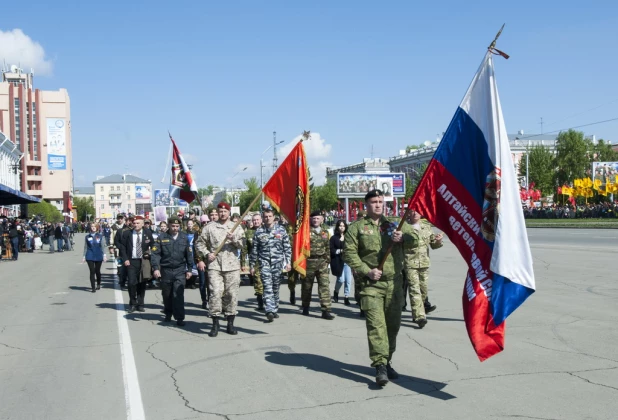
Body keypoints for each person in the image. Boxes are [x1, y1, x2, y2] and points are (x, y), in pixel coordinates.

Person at [343, 189, 407, 386]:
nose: (378, 204)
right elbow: (349, 254)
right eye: (374, 202)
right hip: (371, 286)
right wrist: (366, 270)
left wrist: (403, 238)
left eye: (381, 201)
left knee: (393, 327)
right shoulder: (357, 228)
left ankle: (387, 361)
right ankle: (379, 365)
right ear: (366, 205)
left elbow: (416, 239)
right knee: (376, 326)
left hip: (394, 284)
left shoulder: (395, 225)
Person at [195, 202, 245, 337]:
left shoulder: (236, 227)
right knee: (215, 293)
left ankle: (230, 323)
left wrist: (233, 238)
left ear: (229, 212)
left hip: (232, 266)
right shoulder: (209, 227)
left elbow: (242, 245)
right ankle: (215, 323)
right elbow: (199, 243)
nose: (222, 214)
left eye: (225, 211)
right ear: (217, 213)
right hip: (215, 266)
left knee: (231, 294)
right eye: (220, 212)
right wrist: (207, 253)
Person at [401, 209, 443, 328]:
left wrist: (438, 241)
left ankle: (420, 310)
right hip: (410, 263)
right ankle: (419, 317)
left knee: (423, 290)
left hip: (424, 263)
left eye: (417, 211)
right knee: (414, 289)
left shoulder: (426, 227)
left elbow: (434, 245)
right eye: (412, 212)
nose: (415, 214)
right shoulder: (404, 227)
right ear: (408, 213)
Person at [249, 208, 291, 322]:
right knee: (267, 286)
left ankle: (275, 307)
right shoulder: (259, 232)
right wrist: (252, 265)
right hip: (264, 263)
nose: (267, 218)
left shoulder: (281, 230)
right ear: (263, 218)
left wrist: (288, 262)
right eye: (265, 217)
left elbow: (287, 247)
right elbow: (254, 250)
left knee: (275, 287)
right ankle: (269, 310)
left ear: (274, 217)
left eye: (269, 216)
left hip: (278, 262)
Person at [151, 216, 193, 327]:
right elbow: (155, 254)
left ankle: (179, 317)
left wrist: (189, 269)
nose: (175, 228)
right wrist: (156, 268)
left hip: (180, 270)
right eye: (173, 226)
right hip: (166, 270)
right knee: (167, 294)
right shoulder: (162, 237)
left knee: (178, 294)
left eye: (177, 226)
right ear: (169, 225)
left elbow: (188, 254)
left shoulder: (184, 237)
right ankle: (168, 313)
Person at [301, 211, 334, 320]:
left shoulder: (325, 232)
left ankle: (326, 310)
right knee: (307, 286)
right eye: (313, 218)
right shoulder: (306, 231)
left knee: (324, 287)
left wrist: (328, 261)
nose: (315, 220)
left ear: (322, 220)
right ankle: (305, 306)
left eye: (317, 218)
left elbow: (327, 247)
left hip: (322, 263)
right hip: (309, 262)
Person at [118, 216, 155, 313]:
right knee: (131, 283)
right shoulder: (127, 233)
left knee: (142, 283)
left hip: (143, 261)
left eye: (138, 223)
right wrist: (125, 259)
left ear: (142, 224)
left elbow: (154, 246)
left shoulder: (147, 233)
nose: (136, 225)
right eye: (134, 223)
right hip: (131, 261)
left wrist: (150, 253)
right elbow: (122, 247)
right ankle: (132, 303)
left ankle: (140, 304)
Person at [242, 213, 265, 310]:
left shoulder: (267, 230)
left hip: (267, 261)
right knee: (258, 282)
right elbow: (244, 249)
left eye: (257, 219)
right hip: (255, 262)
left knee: (268, 283)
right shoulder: (248, 233)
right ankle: (260, 302)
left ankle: (269, 302)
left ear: (261, 220)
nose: (256, 221)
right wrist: (243, 263)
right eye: (254, 220)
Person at [330, 220, 353, 306]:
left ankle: (346, 297)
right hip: (338, 261)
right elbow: (331, 249)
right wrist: (340, 250)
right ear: (337, 227)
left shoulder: (349, 237)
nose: (342, 227)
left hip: (347, 261)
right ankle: (336, 291)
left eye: (343, 226)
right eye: (340, 226)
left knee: (348, 281)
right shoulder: (334, 238)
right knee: (341, 280)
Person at [82, 223, 106, 292]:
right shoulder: (87, 236)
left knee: (97, 271)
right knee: (92, 271)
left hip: (98, 255)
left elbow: (102, 246)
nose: (93, 227)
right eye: (92, 226)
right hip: (90, 255)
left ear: (97, 227)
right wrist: (84, 256)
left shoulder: (100, 236)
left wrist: (104, 255)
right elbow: (85, 247)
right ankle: (93, 287)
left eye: (94, 226)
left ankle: (98, 283)